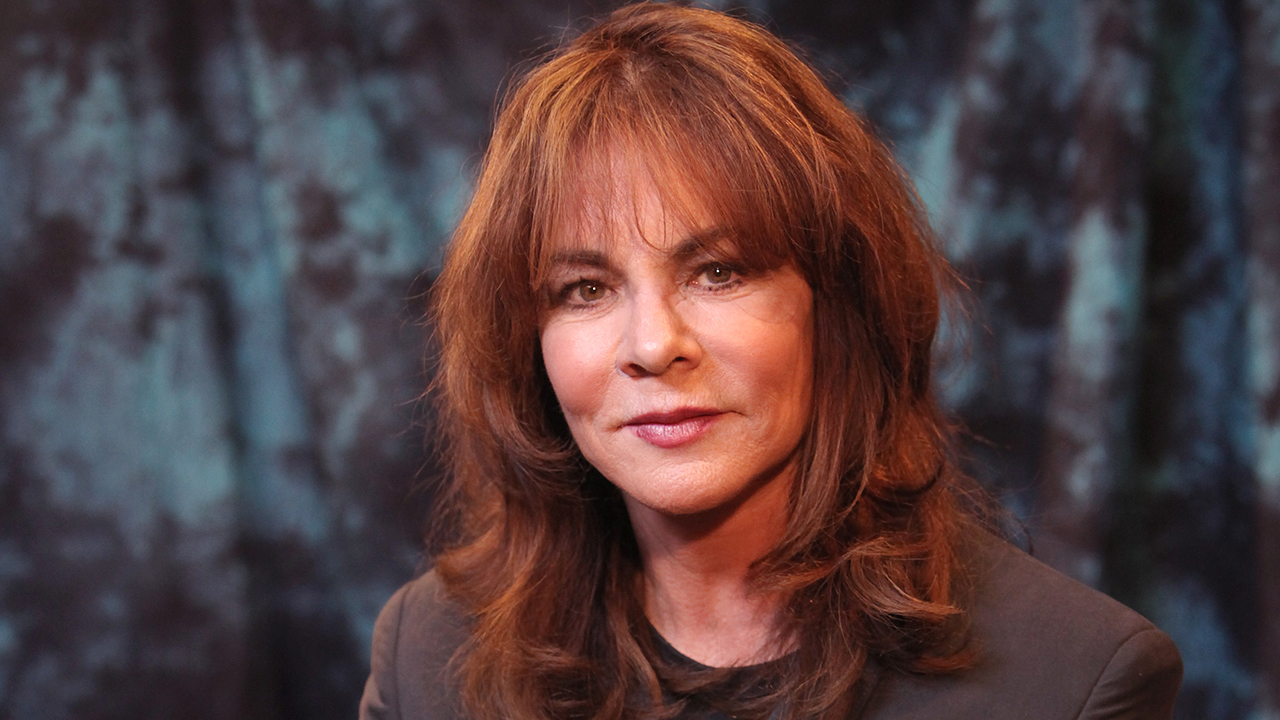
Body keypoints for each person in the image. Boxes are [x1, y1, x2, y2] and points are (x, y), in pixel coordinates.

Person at [360, 4, 1183, 720]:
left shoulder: (1069, 680)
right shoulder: (427, 654)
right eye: (585, 289)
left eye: (718, 272)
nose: (652, 345)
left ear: (840, 304)